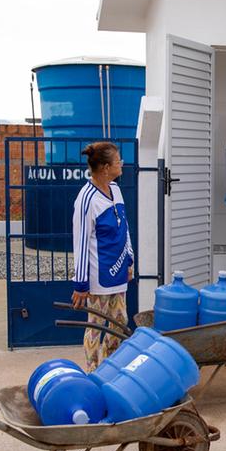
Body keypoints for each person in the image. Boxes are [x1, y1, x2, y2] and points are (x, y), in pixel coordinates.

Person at [72, 141, 135, 371]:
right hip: (98, 277)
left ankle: (110, 368)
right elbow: (79, 241)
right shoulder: (86, 199)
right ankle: (92, 372)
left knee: (120, 322)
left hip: (118, 273)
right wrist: (80, 284)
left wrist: (129, 259)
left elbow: (124, 228)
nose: (122, 165)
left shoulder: (116, 190)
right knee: (96, 327)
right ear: (106, 167)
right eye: (118, 161)